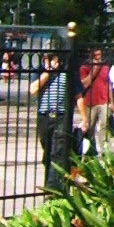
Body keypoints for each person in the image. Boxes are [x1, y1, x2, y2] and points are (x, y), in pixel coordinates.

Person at [30, 51, 68, 190]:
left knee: (57, 151)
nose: (51, 61)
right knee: (48, 152)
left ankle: (53, 188)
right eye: (47, 58)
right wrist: (47, 73)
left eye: (53, 58)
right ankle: (50, 181)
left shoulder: (65, 72)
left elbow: (76, 94)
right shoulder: (38, 71)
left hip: (61, 116)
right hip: (44, 116)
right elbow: (33, 90)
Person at [81, 48, 112, 156]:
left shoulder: (106, 67)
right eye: (96, 55)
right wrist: (95, 69)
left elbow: (108, 84)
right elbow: (85, 84)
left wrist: (111, 102)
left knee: (104, 125)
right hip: (90, 101)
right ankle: (90, 149)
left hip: (104, 101)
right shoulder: (85, 67)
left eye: (100, 55)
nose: (98, 57)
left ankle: (104, 150)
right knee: (90, 127)